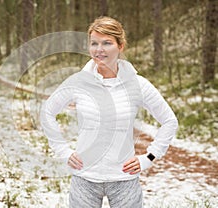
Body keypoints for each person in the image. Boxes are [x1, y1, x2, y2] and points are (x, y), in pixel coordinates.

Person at [40, 16, 178, 208]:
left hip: (124, 179)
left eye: (107, 43)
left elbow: (169, 121)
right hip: (84, 178)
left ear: (120, 46)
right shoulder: (78, 82)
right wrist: (63, 151)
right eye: (94, 43)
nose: (99, 49)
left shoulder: (138, 84)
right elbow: (47, 112)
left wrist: (149, 157)